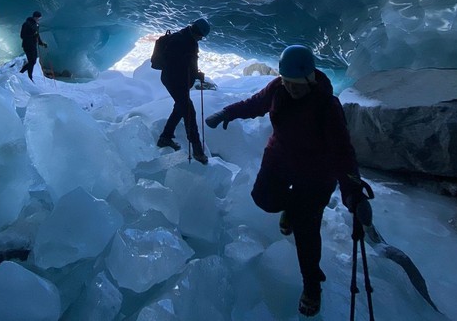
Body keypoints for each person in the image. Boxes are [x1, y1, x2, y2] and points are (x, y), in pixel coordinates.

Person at [205, 45, 371, 317]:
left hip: (316, 172)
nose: (291, 89)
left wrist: (353, 191)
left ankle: (312, 286)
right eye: (286, 82)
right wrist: (227, 113)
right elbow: (254, 104)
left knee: (307, 232)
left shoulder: (327, 106)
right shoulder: (278, 89)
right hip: (280, 158)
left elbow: (342, 152)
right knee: (262, 198)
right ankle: (291, 210)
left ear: (309, 79)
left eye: (296, 84)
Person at [156, 18, 211, 165]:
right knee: (189, 112)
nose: (201, 39)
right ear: (197, 32)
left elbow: (189, 65)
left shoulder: (189, 39)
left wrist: (195, 74)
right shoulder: (179, 41)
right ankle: (198, 151)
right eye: (201, 36)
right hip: (174, 81)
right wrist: (190, 71)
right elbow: (173, 65)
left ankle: (165, 137)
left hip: (179, 81)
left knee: (180, 108)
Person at [19, 11, 47, 80]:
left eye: (39, 18)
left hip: (33, 45)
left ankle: (24, 74)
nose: (39, 19)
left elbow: (37, 35)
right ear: (34, 17)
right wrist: (32, 35)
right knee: (31, 61)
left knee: (33, 61)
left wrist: (41, 43)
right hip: (27, 45)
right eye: (38, 17)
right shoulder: (26, 24)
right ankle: (27, 76)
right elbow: (22, 36)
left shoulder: (36, 24)